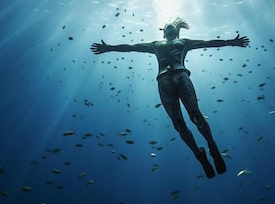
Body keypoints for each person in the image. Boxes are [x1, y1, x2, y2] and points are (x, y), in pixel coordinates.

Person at [91, 17, 249, 179]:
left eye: (171, 25)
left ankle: (212, 146)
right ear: (164, 32)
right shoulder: (155, 45)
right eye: (166, 26)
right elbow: (132, 47)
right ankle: (198, 153)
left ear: (175, 31)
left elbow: (207, 42)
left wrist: (231, 42)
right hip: (164, 80)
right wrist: (109, 48)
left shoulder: (184, 42)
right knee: (178, 123)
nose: (168, 26)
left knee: (195, 115)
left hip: (180, 76)